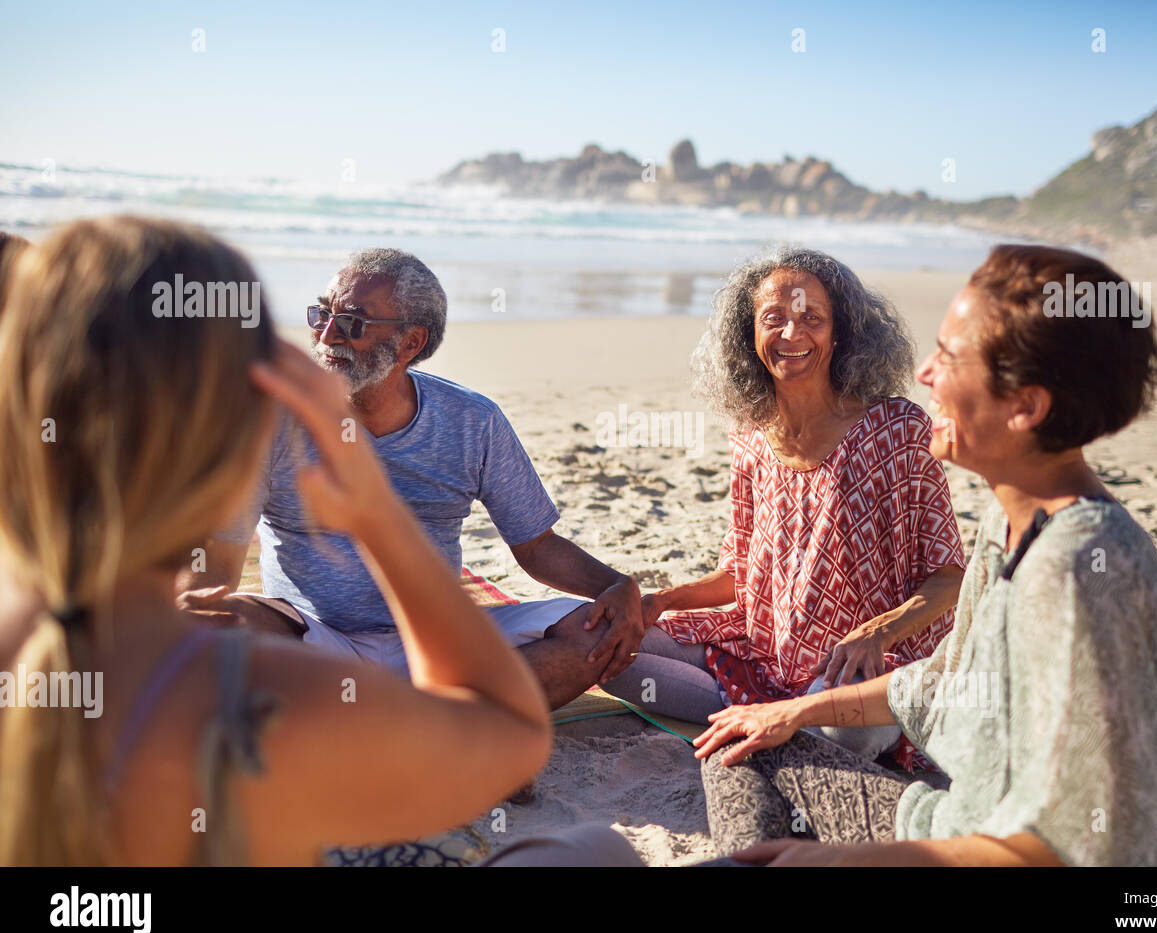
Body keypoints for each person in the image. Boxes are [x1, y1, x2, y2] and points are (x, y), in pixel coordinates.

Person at [0, 217, 553, 864]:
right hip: (333, 662)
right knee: (594, 848)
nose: (322, 335)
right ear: (228, 444)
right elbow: (510, 731)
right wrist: (376, 515)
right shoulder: (261, 694)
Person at [693, 244, 1157, 866]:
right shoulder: (1007, 523)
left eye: (951, 356)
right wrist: (796, 710)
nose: (927, 373)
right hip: (950, 819)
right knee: (745, 736)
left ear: (1026, 406)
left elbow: (1084, 848)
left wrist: (835, 860)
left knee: (742, 761)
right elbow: (942, 685)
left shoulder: (1079, 568)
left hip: (968, 847)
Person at [176, 249, 646, 709]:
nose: (327, 335)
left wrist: (615, 584)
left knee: (594, 629)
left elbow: (537, 547)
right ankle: (459, 722)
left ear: (410, 343)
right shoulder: (266, 422)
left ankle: (412, 719)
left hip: (442, 642)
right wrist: (194, 609)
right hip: (312, 639)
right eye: (321, 314)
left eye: (352, 322)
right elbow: (218, 558)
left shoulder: (472, 421)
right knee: (219, 626)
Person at [598, 247, 965, 769]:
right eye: (774, 318)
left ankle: (778, 720)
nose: (792, 334)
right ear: (747, 333)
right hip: (762, 652)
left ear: (841, 333)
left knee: (850, 735)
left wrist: (873, 634)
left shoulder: (897, 430)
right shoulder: (749, 435)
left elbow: (949, 578)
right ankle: (767, 716)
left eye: (811, 318)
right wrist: (662, 600)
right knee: (610, 655)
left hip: (863, 671)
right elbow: (740, 573)